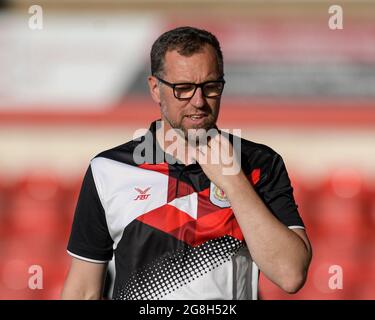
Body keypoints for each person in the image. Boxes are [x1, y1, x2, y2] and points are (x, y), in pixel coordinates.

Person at [61, 26, 312, 300]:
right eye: (183, 89)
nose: (199, 101)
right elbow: (83, 290)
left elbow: (290, 274)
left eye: (211, 87)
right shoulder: (107, 170)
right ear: (156, 89)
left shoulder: (260, 163)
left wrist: (233, 181)